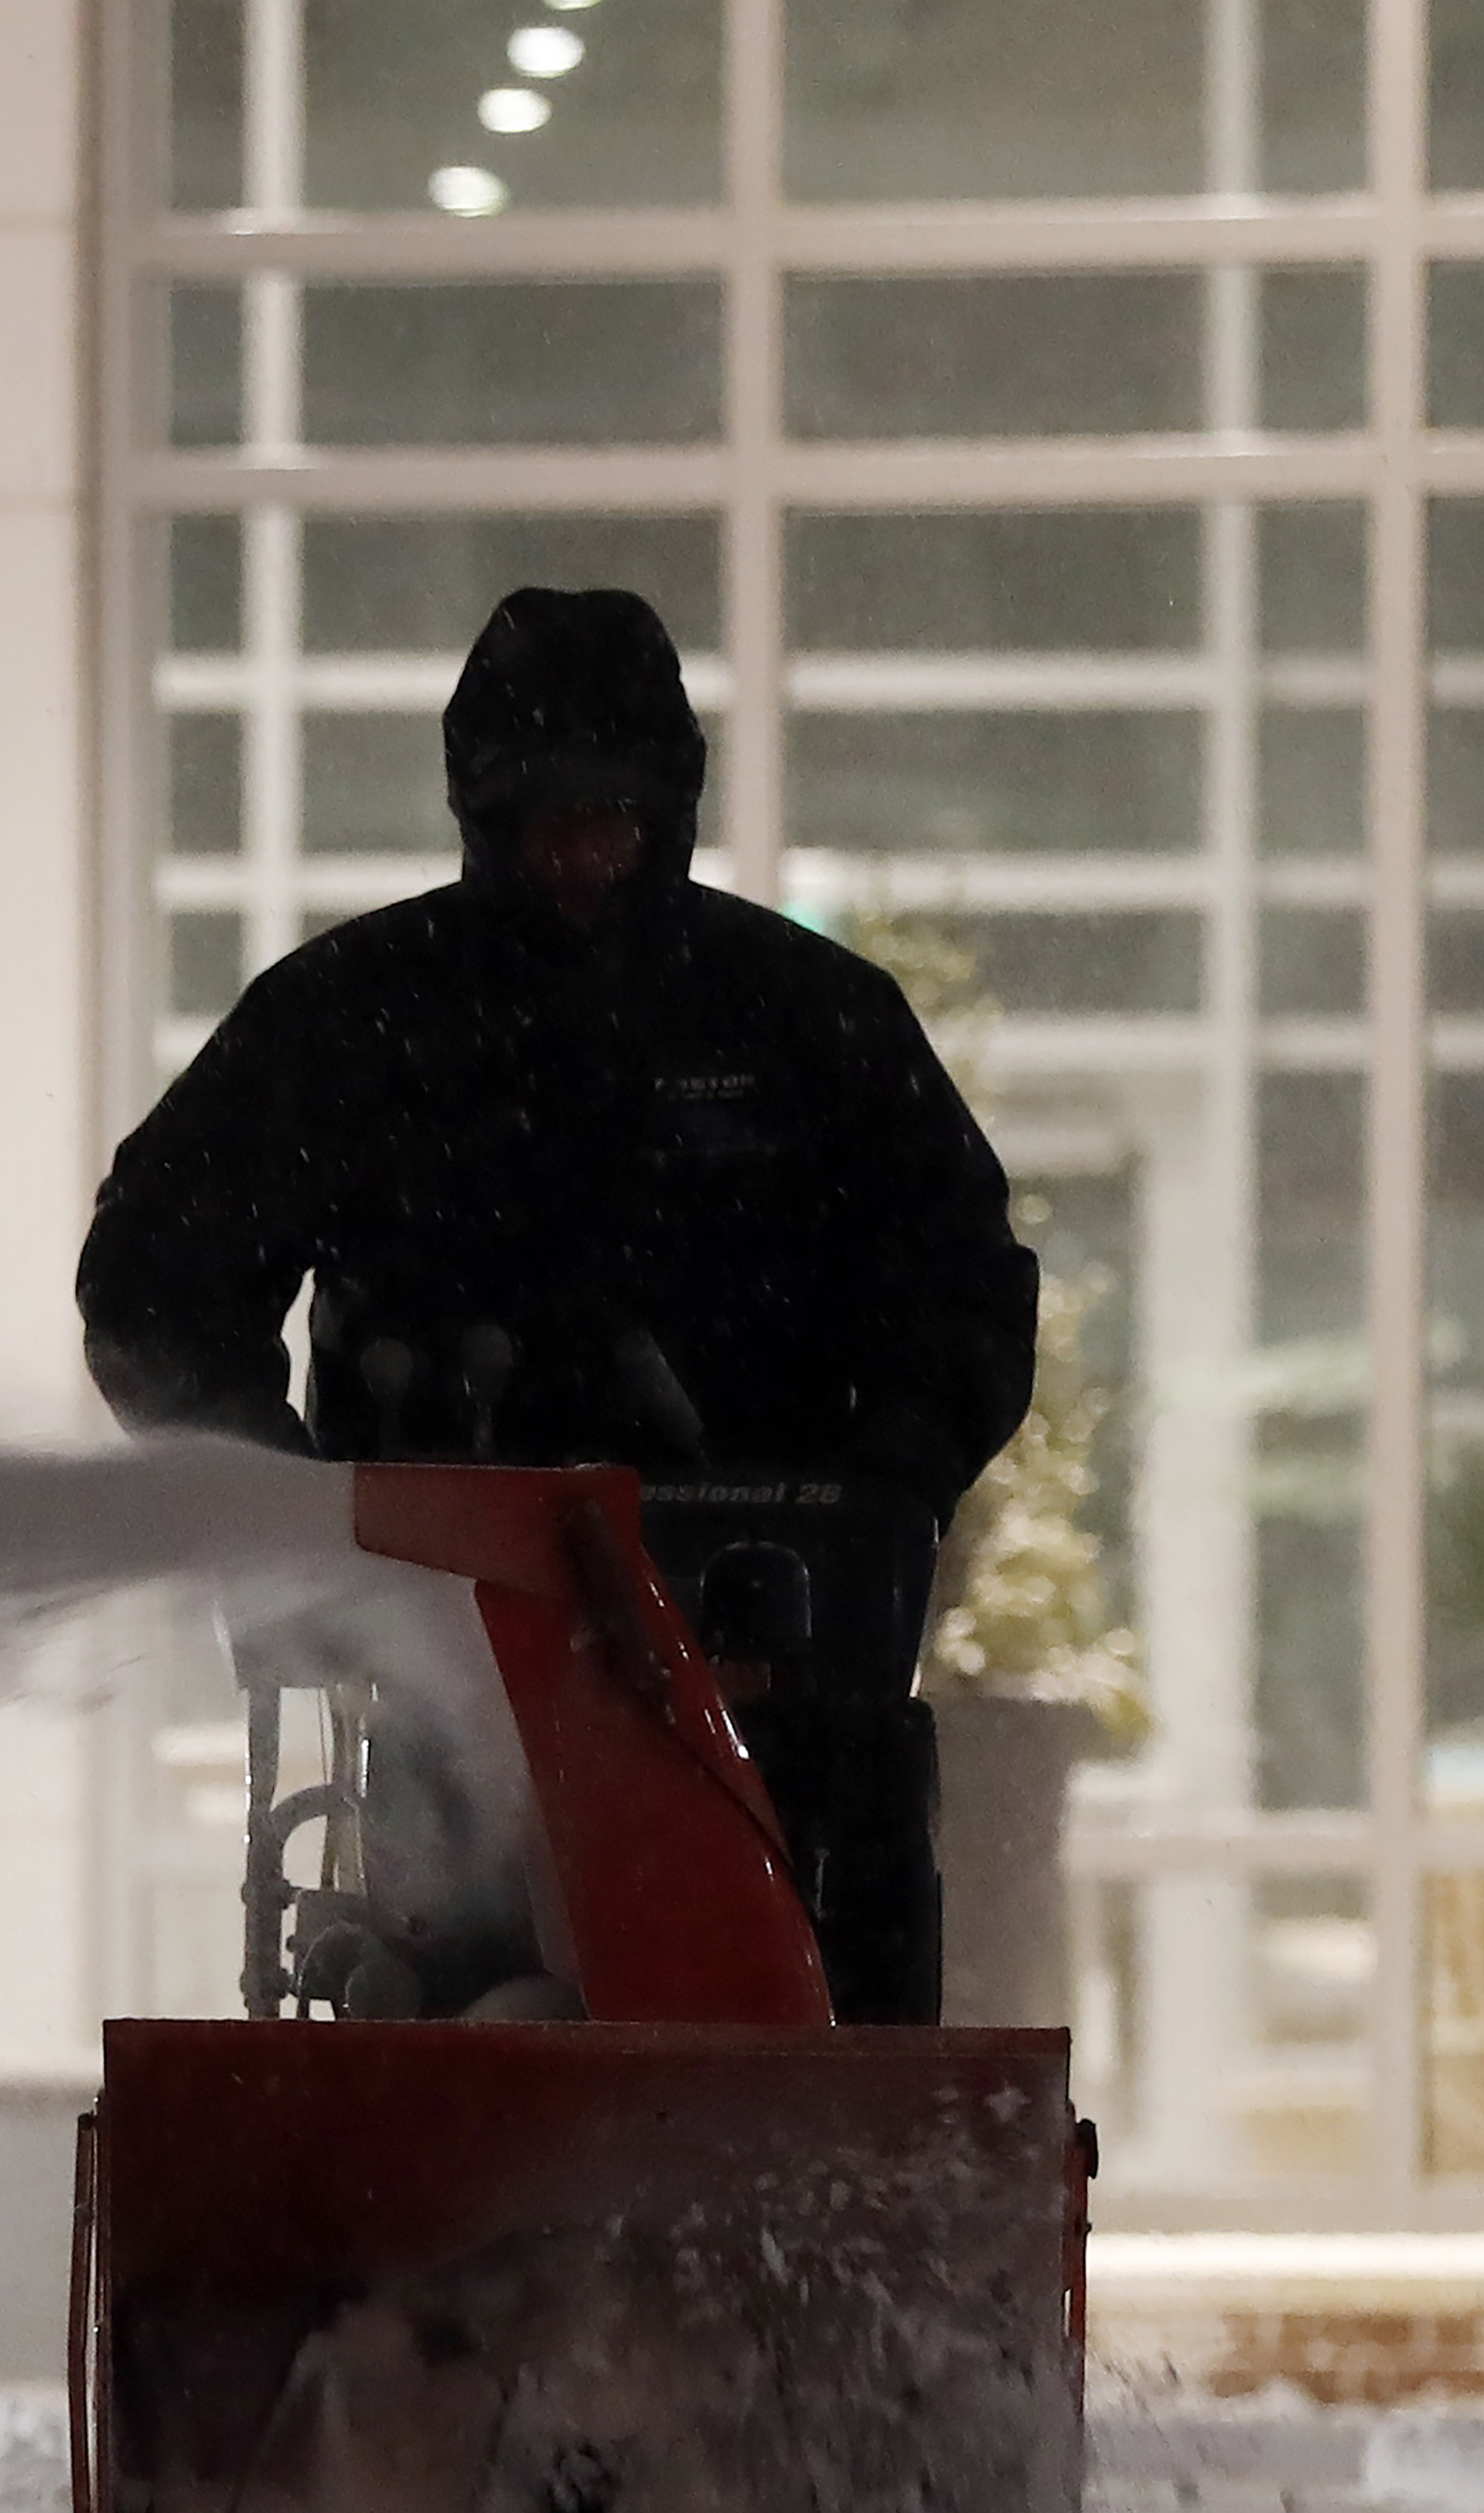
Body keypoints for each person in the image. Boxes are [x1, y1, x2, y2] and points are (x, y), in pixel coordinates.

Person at [78, 586, 1038, 2020]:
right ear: (478, 815)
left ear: (675, 812)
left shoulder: (810, 1024)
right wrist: (287, 1508)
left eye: (614, 820)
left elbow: (959, 1280)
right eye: (541, 821)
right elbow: (156, 1278)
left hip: (779, 1665)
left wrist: (882, 1494)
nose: (580, 859)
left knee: (816, 1986)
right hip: (446, 1666)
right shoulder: (356, 1023)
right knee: (455, 1988)